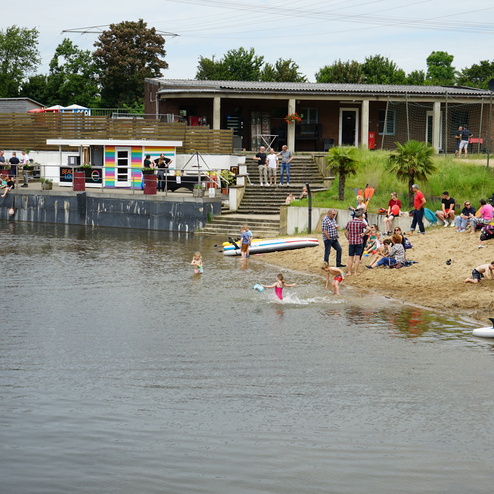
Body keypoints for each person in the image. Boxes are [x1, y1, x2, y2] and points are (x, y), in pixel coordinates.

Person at [344, 208, 367, 275]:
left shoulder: (350, 222)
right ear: (360, 216)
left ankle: (349, 272)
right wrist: (364, 234)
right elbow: (368, 228)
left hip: (351, 241)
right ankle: (355, 272)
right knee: (357, 257)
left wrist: (348, 238)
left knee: (350, 257)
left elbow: (345, 232)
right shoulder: (361, 223)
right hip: (359, 241)